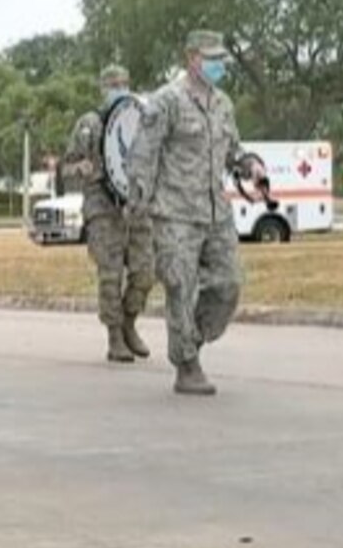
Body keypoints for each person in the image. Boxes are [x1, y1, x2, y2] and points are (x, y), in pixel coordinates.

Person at [125, 31, 248, 396]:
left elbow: (233, 151)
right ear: (191, 58)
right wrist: (139, 202)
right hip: (175, 212)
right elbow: (143, 153)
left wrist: (248, 165)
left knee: (228, 285)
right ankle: (187, 365)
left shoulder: (223, 104)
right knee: (181, 287)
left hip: (215, 212)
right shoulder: (166, 102)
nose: (218, 65)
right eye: (211, 58)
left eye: (221, 59)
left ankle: (190, 336)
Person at [58, 65, 154, 364]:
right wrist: (81, 169)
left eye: (124, 83)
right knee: (110, 275)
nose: (119, 88)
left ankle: (129, 321)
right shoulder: (90, 124)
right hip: (102, 207)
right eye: (113, 84)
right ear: (102, 87)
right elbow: (66, 168)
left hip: (134, 206)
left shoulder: (139, 118)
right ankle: (114, 335)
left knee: (145, 272)